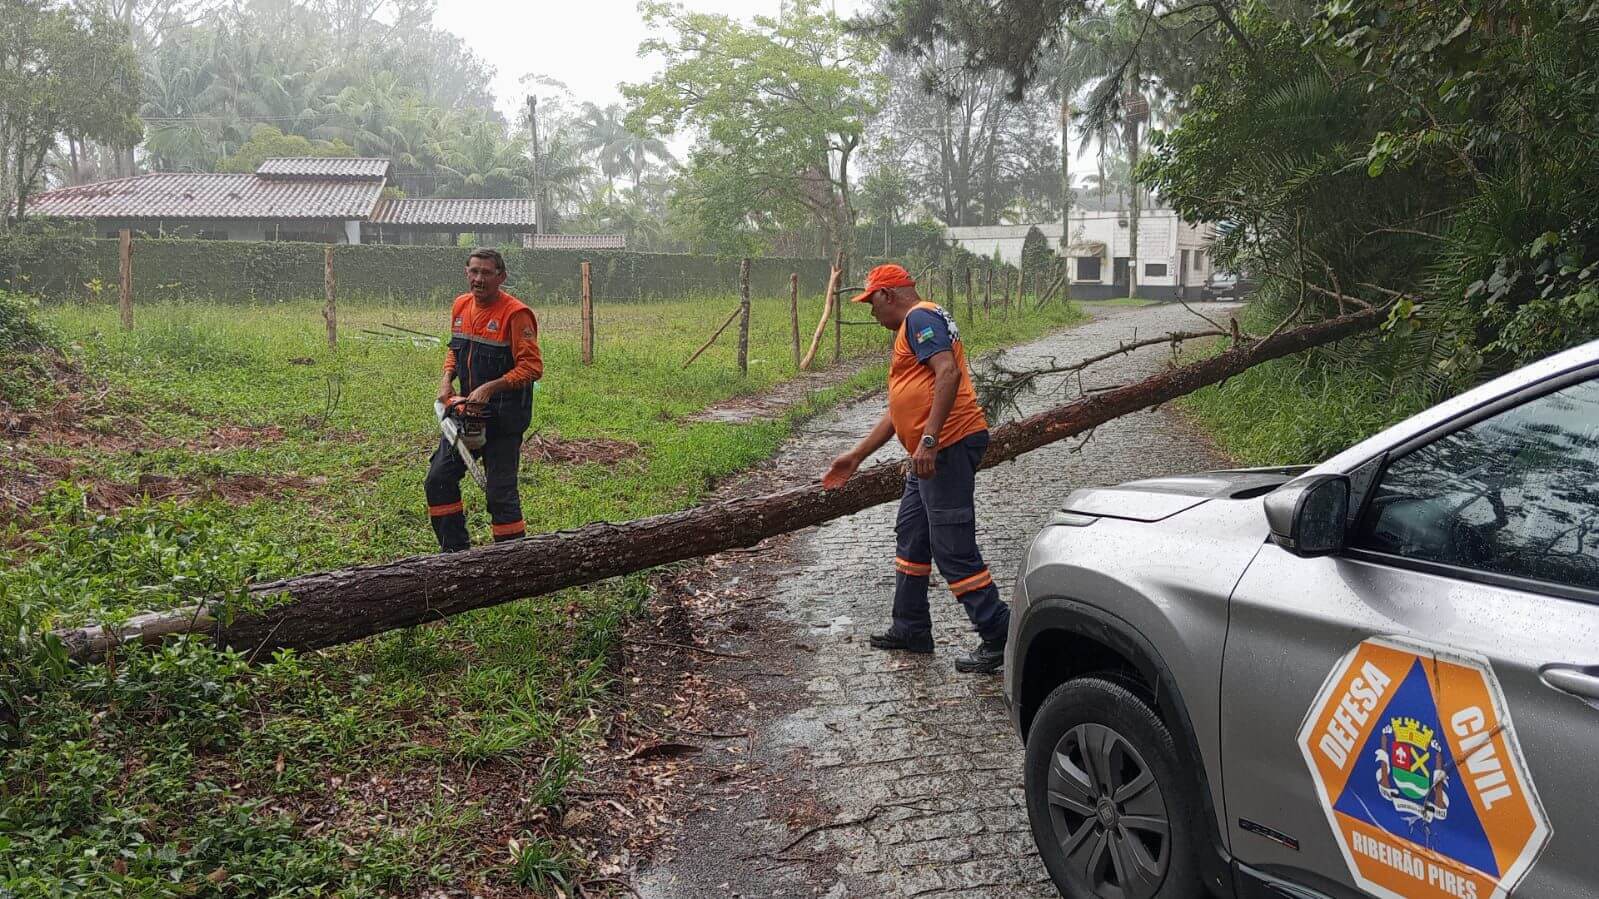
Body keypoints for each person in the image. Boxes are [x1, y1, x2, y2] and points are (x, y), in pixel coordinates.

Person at [821, 263, 1010, 673]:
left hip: (945, 448)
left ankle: (1000, 635)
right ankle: (911, 628)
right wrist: (855, 456)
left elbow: (948, 373)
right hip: (930, 454)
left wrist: (928, 440)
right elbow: (900, 410)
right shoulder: (916, 325)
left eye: (871, 303)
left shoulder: (919, 317)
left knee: (952, 548)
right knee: (912, 534)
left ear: (888, 295)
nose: (871, 313)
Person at [425, 248, 543, 551]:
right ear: (467, 273)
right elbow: (455, 348)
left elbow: (532, 368)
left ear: (501, 277)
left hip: (505, 418)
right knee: (438, 479)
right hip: (467, 413)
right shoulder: (461, 306)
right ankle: (455, 557)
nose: (479, 279)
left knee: (499, 494)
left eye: (487, 273)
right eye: (474, 271)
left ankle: (511, 565)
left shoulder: (516, 314)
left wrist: (492, 387)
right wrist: (446, 378)